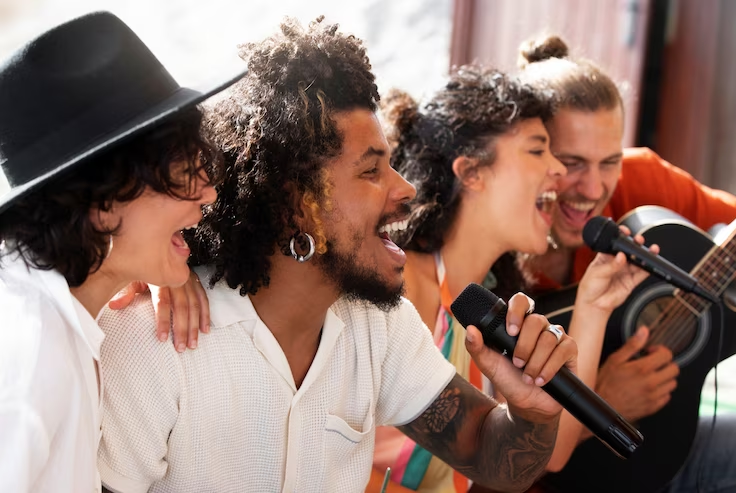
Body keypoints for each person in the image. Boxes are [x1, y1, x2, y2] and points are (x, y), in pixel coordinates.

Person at [97, 18, 579, 493]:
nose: (404, 189)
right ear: (295, 204)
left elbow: (491, 455)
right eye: (371, 171)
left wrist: (531, 412)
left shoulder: (377, 324)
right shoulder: (152, 340)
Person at [367, 68, 651, 493]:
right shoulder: (403, 292)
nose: (558, 169)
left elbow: (550, 453)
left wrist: (594, 305)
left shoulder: (493, 305)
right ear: (473, 173)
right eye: (539, 151)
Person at [0, 11, 243, 492]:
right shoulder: (30, 356)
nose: (209, 192)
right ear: (103, 202)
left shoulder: (58, 321)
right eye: (185, 169)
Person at [516, 34, 736, 492]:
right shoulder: (499, 257)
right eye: (572, 162)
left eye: (610, 161)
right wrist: (601, 400)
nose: (594, 188)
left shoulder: (642, 181)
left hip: (670, 441)